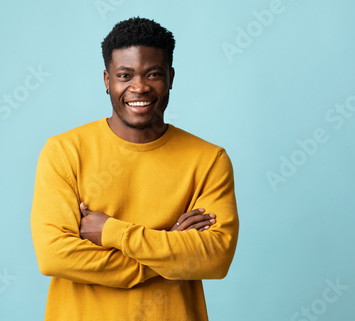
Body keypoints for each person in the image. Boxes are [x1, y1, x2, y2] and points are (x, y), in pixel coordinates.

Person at [31, 17, 239, 320]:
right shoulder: (64, 152)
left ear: (170, 77)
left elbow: (215, 258)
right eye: (124, 75)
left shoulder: (208, 160)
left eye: (153, 74)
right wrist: (169, 246)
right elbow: (55, 257)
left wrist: (111, 231)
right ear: (107, 80)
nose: (139, 87)